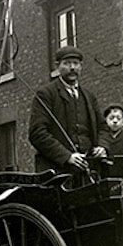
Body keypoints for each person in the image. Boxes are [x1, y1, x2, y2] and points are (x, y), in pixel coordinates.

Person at [28, 45, 109, 176]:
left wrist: (102, 147)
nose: (72, 68)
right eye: (67, 63)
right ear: (57, 66)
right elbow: (37, 133)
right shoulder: (45, 94)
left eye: (76, 64)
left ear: (81, 66)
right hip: (57, 172)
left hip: (89, 170)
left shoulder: (89, 96)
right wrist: (66, 157)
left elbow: (103, 128)